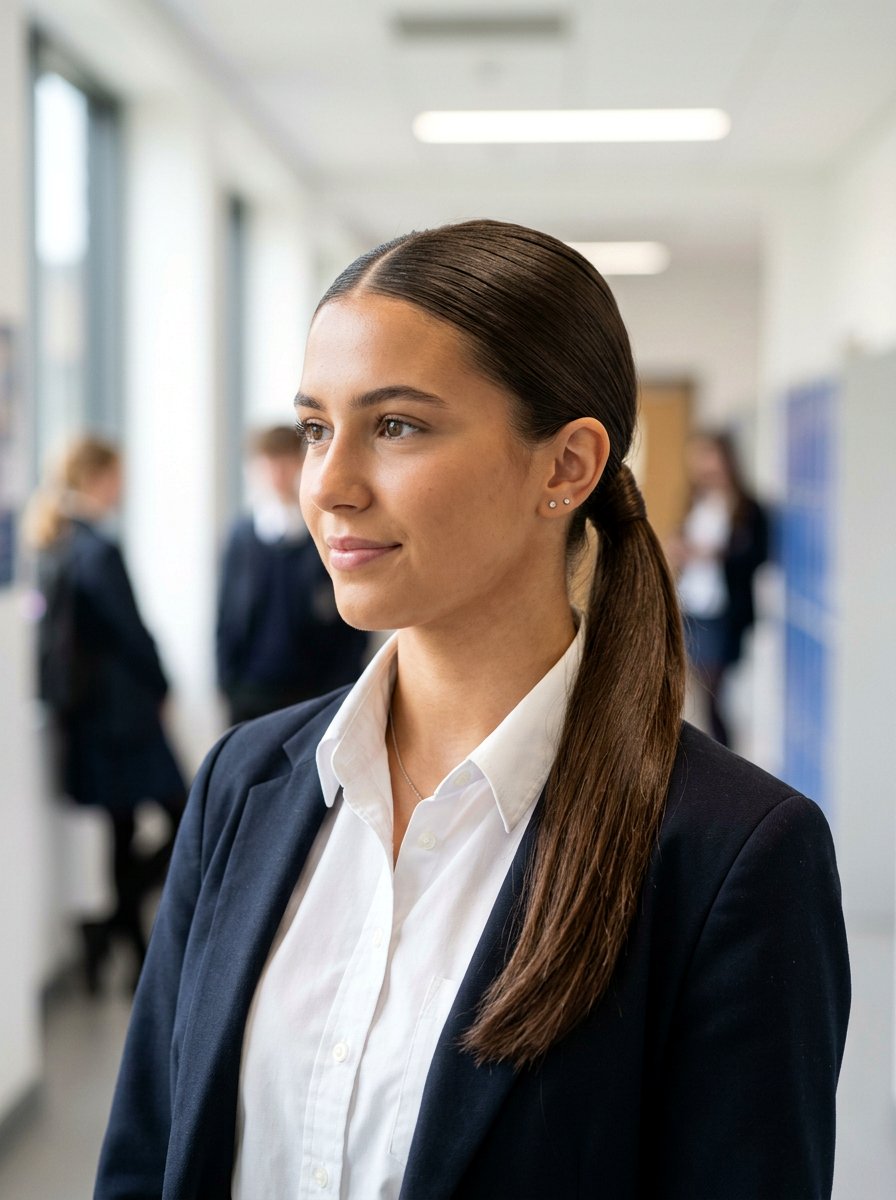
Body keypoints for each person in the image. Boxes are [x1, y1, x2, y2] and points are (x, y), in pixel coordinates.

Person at [96, 222, 849, 1199]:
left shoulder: (730, 856)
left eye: (396, 425)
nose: (328, 484)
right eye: (317, 427)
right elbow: (147, 1156)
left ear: (565, 467)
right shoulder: (245, 782)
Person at [25, 435, 185, 991]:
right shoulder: (97, 549)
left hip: (87, 718)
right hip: (125, 718)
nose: (124, 486)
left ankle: (118, 945)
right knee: (187, 817)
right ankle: (117, 928)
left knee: (120, 831)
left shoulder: (55, 541)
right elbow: (131, 632)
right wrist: (164, 684)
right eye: (117, 475)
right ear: (97, 477)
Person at [216, 424, 368, 723]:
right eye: (267, 465)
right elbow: (226, 615)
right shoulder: (242, 536)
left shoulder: (323, 533)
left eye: (283, 463)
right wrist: (226, 683)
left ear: (299, 464)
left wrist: (341, 687)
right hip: (252, 690)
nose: (276, 474)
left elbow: (347, 619)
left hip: (314, 692)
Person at [667, 430, 770, 746]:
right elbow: (682, 541)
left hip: (724, 612)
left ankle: (727, 762)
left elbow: (757, 556)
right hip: (692, 606)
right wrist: (679, 550)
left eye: (711, 456)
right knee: (697, 690)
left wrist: (716, 555)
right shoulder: (695, 502)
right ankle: (715, 758)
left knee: (713, 692)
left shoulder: (748, 507)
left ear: (727, 460)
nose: (705, 465)